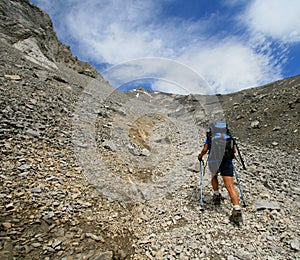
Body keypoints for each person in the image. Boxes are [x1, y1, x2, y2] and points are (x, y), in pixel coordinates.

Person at [198, 123, 242, 224]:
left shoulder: (211, 136)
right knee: (230, 186)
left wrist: (200, 156)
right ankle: (236, 209)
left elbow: (205, 149)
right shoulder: (228, 136)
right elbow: (234, 150)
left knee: (214, 177)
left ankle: (216, 195)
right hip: (226, 162)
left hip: (214, 161)